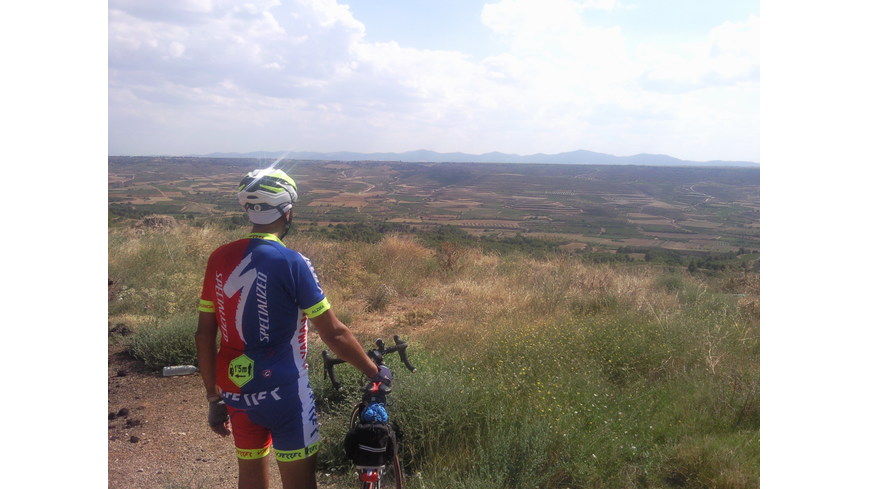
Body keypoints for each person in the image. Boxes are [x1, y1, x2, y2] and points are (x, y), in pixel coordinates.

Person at [195, 168, 386, 489]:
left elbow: (204, 335)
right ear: (288, 212)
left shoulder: (218, 257)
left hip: (235, 389)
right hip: (285, 392)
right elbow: (334, 333)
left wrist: (214, 398)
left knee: (250, 478)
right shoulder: (292, 261)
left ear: (249, 211)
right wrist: (374, 373)